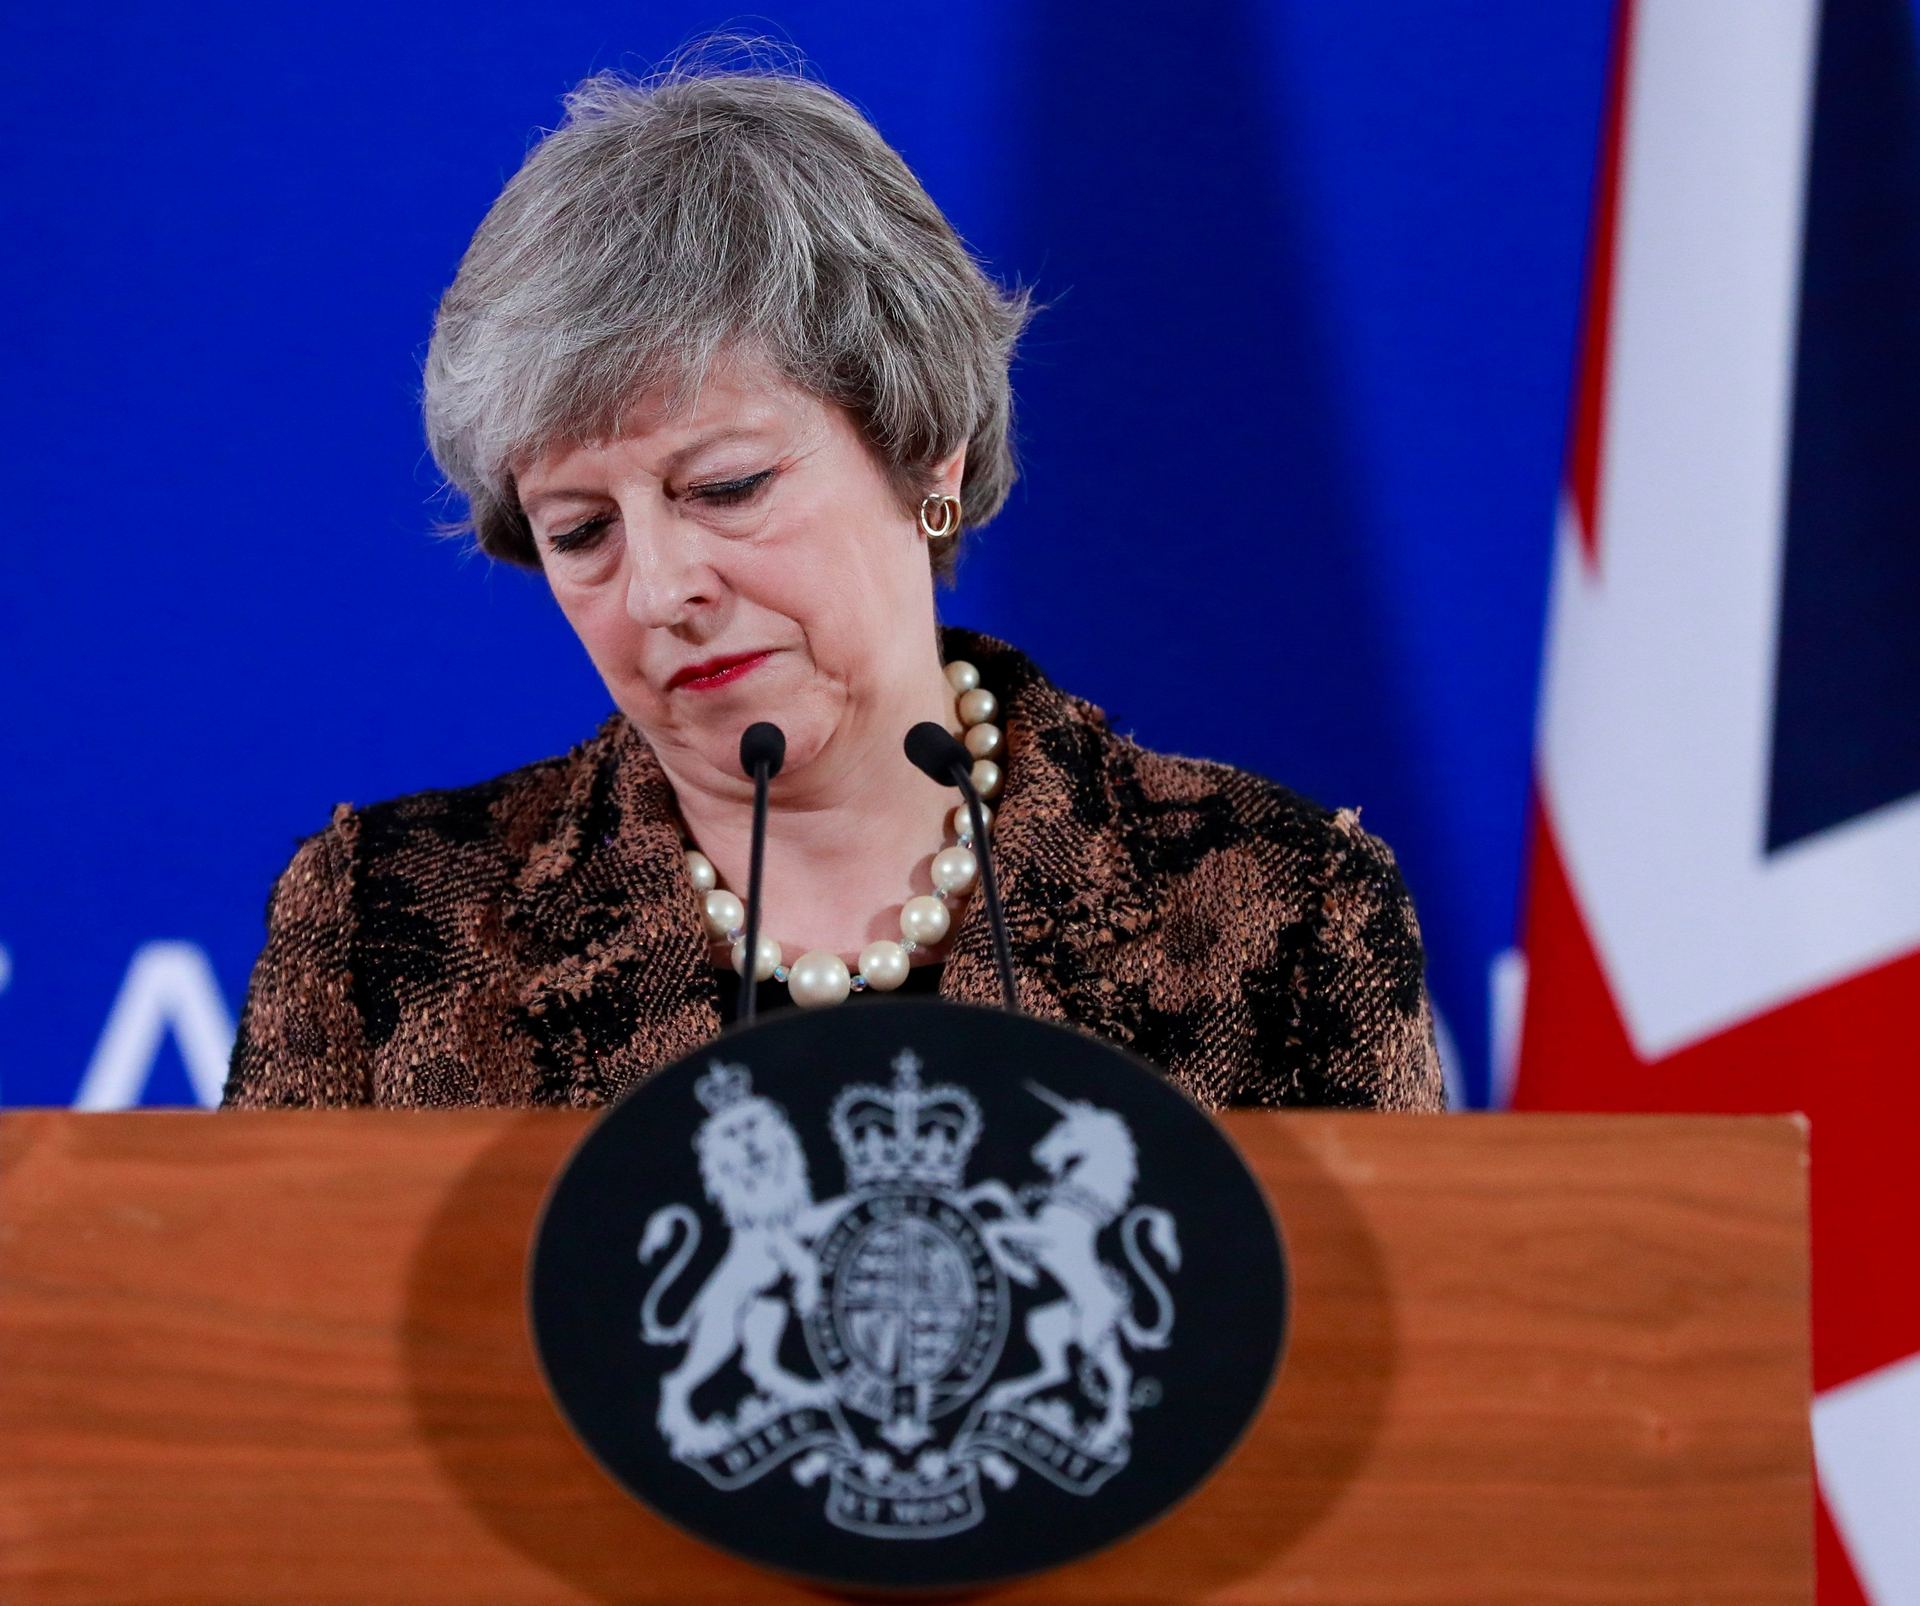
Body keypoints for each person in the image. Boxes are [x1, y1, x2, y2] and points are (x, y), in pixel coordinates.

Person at [220, 61, 1445, 1114]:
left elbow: (1389, 1378)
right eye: (582, 530)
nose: (661, 589)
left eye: (728, 485)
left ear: (927, 452)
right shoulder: (383, 928)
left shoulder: (1279, 910)